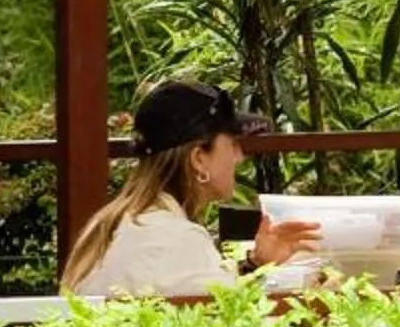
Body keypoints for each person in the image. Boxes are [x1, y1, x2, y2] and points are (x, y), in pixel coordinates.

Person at [61, 79, 319, 297]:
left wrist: (255, 264)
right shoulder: (176, 239)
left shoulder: (115, 222)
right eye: (232, 144)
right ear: (198, 158)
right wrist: (316, 300)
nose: (239, 157)